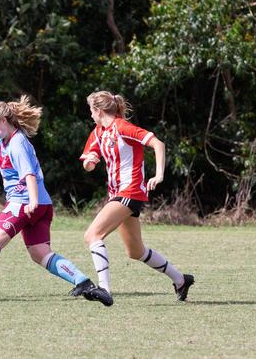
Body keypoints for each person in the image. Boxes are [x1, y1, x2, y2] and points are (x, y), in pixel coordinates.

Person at [0, 95, 113, 306]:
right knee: (40, 253)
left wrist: (30, 201)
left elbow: (29, 174)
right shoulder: (6, 140)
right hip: (42, 205)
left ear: (4, 120)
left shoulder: (17, 144)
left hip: (23, 202)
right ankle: (84, 283)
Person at [79, 91, 194, 301]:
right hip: (118, 194)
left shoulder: (122, 127)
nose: (91, 116)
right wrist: (91, 161)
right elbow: (88, 164)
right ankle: (181, 280)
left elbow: (158, 144)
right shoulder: (98, 132)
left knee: (92, 235)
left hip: (129, 191)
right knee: (136, 251)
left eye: (91, 111)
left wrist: (159, 175)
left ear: (99, 110)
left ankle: (104, 289)